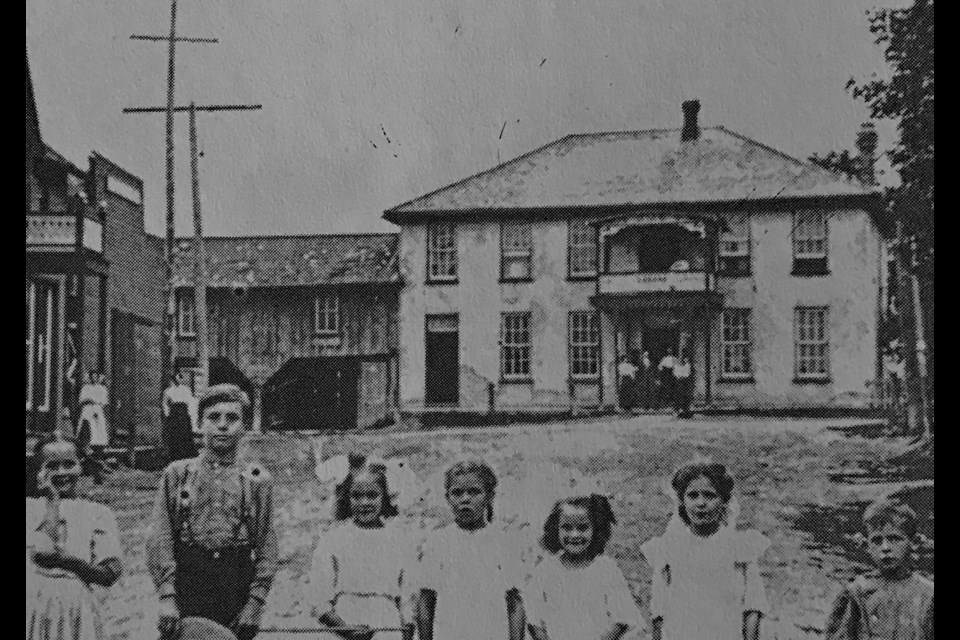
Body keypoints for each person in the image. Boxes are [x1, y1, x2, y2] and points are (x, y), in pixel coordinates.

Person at [147, 384, 279, 640]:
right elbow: (160, 537)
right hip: (189, 586)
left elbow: (266, 545)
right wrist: (167, 596)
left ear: (244, 426)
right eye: (213, 417)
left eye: (232, 418)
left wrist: (255, 603)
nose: (222, 425)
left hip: (234, 587)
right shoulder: (178, 474)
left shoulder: (257, 480)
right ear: (199, 423)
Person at [640, 459, 770, 640]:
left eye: (709, 495)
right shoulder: (669, 548)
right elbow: (659, 611)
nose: (701, 503)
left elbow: (753, 607)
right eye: (693, 495)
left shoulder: (740, 548)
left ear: (723, 501)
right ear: (682, 502)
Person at [306, 453, 416, 640]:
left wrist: (406, 630)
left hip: (387, 627)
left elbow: (408, 599)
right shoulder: (333, 540)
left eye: (372, 495)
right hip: (344, 625)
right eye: (357, 496)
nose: (364, 502)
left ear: (384, 497)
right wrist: (346, 630)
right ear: (347, 498)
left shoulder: (399, 540)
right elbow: (319, 600)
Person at [415, 457, 526, 640]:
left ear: (489, 496)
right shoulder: (438, 542)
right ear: (448, 498)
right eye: (457, 493)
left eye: (474, 492)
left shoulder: (503, 541)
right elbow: (426, 601)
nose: (465, 499)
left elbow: (514, 603)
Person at [27, 434, 123, 640]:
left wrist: (73, 564)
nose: (62, 472)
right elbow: (43, 551)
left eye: (69, 464)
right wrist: (52, 499)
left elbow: (110, 572)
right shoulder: (31, 508)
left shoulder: (97, 513)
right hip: (32, 607)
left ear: (80, 466)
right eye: (52, 466)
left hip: (77, 611)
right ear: (40, 470)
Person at [526, 493, 645, 640]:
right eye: (566, 527)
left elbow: (622, 619)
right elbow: (534, 620)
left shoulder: (606, 569)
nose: (574, 535)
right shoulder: (546, 569)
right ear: (556, 529)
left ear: (596, 529)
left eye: (582, 528)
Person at [825, 497, 933, 640]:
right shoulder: (858, 592)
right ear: (867, 545)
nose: (885, 548)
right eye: (876, 541)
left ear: (913, 542)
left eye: (894, 539)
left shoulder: (928, 594)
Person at [78, 372, 110, 484]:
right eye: (92, 377)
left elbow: (103, 402)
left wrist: (96, 405)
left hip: (97, 412)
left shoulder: (102, 389)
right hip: (87, 412)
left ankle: (98, 465)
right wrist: (89, 401)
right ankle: (87, 465)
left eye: (96, 377)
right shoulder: (86, 388)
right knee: (86, 436)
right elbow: (82, 400)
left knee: (98, 438)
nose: (94, 379)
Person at [163, 371, 198, 463]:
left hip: (183, 414)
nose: (177, 380)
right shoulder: (168, 391)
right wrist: (168, 414)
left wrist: (193, 420)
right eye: (175, 378)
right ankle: (175, 456)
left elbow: (191, 404)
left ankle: (186, 456)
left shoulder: (186, 390)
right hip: (174, 414)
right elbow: (165, 404)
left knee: (184, 435)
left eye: (179, 377)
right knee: (174, 435)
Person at [672, 353, 693, 418]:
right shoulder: (677, 366)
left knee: (686, 396)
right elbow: (675, 374)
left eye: (686, 359)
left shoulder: (687, 366)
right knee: (678, 396)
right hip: (679, 382)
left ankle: (686, 411)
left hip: (685, 382)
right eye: (682, 359)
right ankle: (678, 411)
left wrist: (683, 377)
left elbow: (687, 374)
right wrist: (679, 377)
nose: (684, 360)